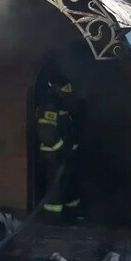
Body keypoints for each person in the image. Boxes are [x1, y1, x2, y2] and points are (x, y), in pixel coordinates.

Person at [35, 71, 82, 225]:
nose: (66, 94)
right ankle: (53, 220)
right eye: (64, 90)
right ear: (55, 89)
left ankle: (71, 216)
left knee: (68, 184)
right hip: (53, 156)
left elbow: (67, 129)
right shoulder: (49, 107)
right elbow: (47, 133)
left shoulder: (62, 106)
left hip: (65, 155)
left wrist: (71, 148)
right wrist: (61, 149)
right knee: (56, 187)